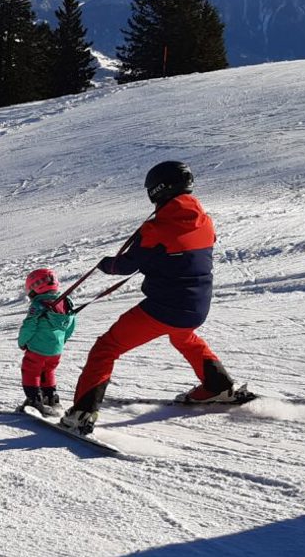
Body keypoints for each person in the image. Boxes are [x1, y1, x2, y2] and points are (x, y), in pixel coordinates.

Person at [61, 161, 237, 434]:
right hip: (198, 306)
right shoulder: (205, 221)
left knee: (105, 348)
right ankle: (218, 386)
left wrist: (105, 264)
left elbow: (125, 265)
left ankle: (82, 412)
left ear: (157, 189)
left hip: (164, 308)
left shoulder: (156, 228)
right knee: (184, 336)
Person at [17, 268, 76, 417]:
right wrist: (61, 341)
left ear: (35, 288)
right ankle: (51, 398)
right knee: (48, 370)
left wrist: (22, 342)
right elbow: (71, 324)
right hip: (56, 349)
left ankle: (34, 399)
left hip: (38, 347)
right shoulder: (66, 302)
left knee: (31, 370)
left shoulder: (38, 305)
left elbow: (29, 325)